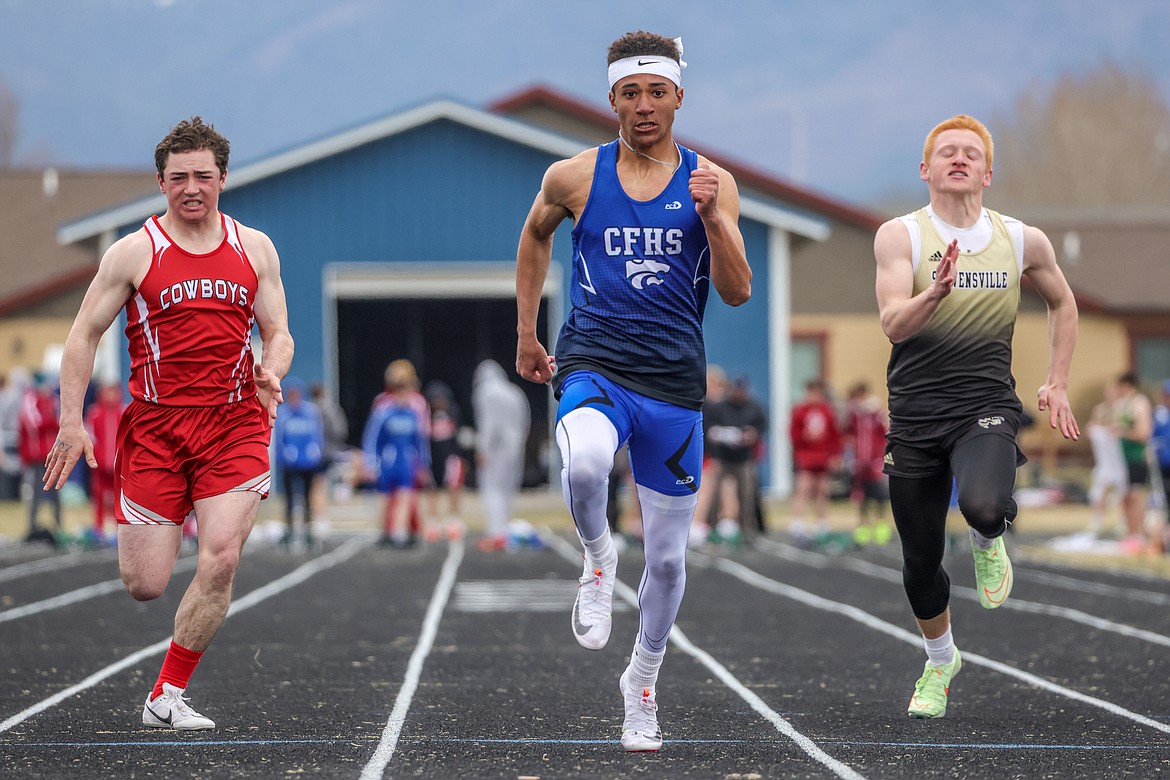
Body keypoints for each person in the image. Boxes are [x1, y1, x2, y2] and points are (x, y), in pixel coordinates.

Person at [515, 31, 750, 752]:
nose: (643, 106)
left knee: (672, 560)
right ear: (611, 97)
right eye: (630, 92)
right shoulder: (575, 177)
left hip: (675, 381)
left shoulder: (713, 180)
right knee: (585, 464)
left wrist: (711, 215)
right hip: (595, 359)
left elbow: (738, 292)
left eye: (656, 92)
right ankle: (596, 557)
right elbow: (534, 237)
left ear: (679, 96)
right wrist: (528, 331)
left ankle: (641, 681)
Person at [42, 116, 293, 731]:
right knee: (146, 582)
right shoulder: (133, 252)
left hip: (235, 423)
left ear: (223, 178)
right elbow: (83, 336)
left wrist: (271, 369)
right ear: (161, 182)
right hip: (156, 428)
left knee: (222, 557)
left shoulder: (253, 247)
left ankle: (167, 694)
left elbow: (279, 332)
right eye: (178, 177)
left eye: (202, 176)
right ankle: (163, 536)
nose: (191, 188)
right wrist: (71, 422)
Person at [873, 114, 1079, 719]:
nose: (958, 159)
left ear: (988, 172)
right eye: (946, 153)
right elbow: (892, 324)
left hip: (985, 405)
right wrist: (933, 293)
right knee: (919, 562)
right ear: (926, 169)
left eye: (970, 153)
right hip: (914, 416)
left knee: (984, 504)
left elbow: (1063, 302)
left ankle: (989, 535)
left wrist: (1058, 380)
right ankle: (941, 661)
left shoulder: (1019, 239)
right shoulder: (900, 237)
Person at [362, 359, 428, 548]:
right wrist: (370, 463)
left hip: (406, 463)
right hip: (387, 463)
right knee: (385, 498)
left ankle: (402, 533)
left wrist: (423, 464)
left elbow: (420, 439)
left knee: (406, 497)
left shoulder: (416, 407)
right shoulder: (383, 408)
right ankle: (386, 532)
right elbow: (372, 437)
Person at [471, 360, 530, 551]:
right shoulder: (515, 392)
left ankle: (495, 533)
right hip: (516, 446)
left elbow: (488, 424)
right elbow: (525, 419)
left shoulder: (486, 393)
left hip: (497, 448)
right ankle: (504, 530)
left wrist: (483, 449)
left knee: (492, 488)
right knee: (507, 490)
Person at [705, 375, 768, 545]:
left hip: (744, 458)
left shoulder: (754, 407)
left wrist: (751, 435)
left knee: (747, 496)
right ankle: (711, 528)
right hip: (722, 457)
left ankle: (748, 530)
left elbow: (761, 428)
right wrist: (724, 435)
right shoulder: (719, 408)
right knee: (715, 495)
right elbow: (709, 429)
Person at [272, 377, 325, 549]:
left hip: (308, 464)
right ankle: (289, 530)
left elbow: (317, 436)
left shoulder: (311, 413)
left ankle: (308, 531)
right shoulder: (284, 415)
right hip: (290, 464)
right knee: (289, 499)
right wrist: (284, 455)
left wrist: (315, 452)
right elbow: (278, 440)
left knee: (308, 498)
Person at [788, 379, 842, 533]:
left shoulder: (827, 411)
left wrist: (836, 455)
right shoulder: (800, 411)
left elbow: (835, 436)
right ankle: (797, 521)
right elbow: (793, 433)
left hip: (823, 455)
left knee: (823, 489)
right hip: (806, 454)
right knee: (804, 487)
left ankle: (822, 522)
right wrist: (804, 437)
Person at [843, 381, 891, 546]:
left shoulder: (875, 412)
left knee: (879, 496)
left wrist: (883, 456)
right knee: (862, 497)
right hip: (860, 461)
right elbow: (848, 433)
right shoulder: (854, 415)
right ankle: (863, 528)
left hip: (875, 461)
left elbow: (886, 432)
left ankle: (881, 527)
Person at [20, 372, 62, 544]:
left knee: (56, 493)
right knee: (37, 493)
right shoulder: (30, 399)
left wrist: (51, 422)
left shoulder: (52, 400)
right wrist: (51, 422)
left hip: (53, 454)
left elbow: (61, 421)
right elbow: (34, 424)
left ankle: (59, 527)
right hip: (37, 456)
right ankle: (32, 526)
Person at [423, 380, 467, 542]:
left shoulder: (453, 412)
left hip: (451, 457)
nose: (439, 403)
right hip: (432, 458)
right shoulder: (426, 416)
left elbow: (458, 438)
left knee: (454, 487)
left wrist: (460, 458)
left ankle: (453, 520)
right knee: (432, 488)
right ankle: (432, 521)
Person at [1114, 372, 1153, 553]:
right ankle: (1130, 532)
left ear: (1127, 386)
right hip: (1121, 457)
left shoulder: (1139, 404)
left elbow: (1143, 433)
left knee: (1136, 495)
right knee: (1125, 496)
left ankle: (1138, 533)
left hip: (1136, 456)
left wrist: (1122, 432)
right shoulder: (1122, 404)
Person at [84, 381, 126, 543]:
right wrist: (98, 459)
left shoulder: (122, 412)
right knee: (100, 497)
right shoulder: (94, 413)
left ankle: (120, 528)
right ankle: (99, 528)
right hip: (100, 466)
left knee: (119, 498)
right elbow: (91, 438)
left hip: (119, 466)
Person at [1085, 380, 1127, 538]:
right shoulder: (1100, 409)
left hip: (1118, 457)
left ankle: (1122, 521)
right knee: (1100, 487)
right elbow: (1093, 426)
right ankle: (1097, 520)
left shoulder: (1122, 408)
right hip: (1104, 459)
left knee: (1123, 488)